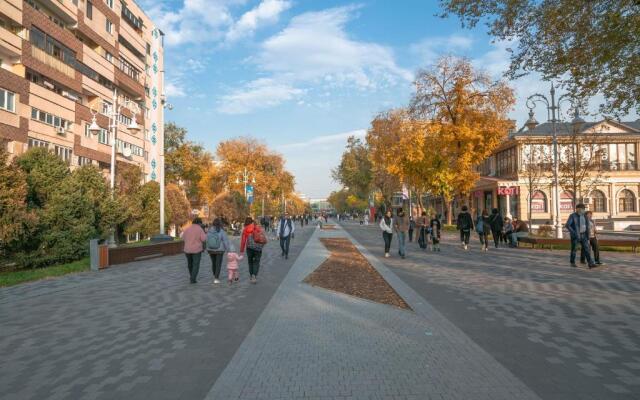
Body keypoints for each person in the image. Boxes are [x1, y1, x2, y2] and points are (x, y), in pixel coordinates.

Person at [565, 204, 596, 268]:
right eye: (582, 209)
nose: (583, 210)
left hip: (584, 235)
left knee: (587, 249)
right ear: (578, 209)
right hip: (576, 236)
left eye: (584, 209)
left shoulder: (585, 216)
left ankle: (590, 263)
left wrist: (588, 235)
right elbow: (567, 225)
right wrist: (574, 233)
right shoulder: (573, 216)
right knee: (574, 249)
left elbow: (587, 226)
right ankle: (572, 262)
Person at [180, 217, 207, 284]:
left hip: (187, 249)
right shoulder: (200, 229)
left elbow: (183, 238)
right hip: (197, 250)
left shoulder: (187, 229)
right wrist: (204, 247)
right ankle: (193, 278)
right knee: (196, 264)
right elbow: (204, 239)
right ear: (199, 223)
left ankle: (192, 276)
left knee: (190, 264)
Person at [240, 217, 266, 283]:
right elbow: (264, 239)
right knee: (256, 262)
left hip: (249, 248)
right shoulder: (261, 229)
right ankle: (254, 275)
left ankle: (251, 275)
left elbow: (243, 240)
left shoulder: (247, 228)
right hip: (258, 248)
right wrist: (261, 246)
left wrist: (241, 250)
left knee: (250, 262)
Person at [206, 218, 231, 284]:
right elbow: (225, 241)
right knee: (218, 264)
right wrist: (228, 250)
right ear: (220, 224)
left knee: (213, 263)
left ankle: (215, 274)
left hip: (211, 249)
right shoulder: (222, 231)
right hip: (219, 250)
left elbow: (207, 240)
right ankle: (216, 278)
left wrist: (207, 248)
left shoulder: (209, 230)